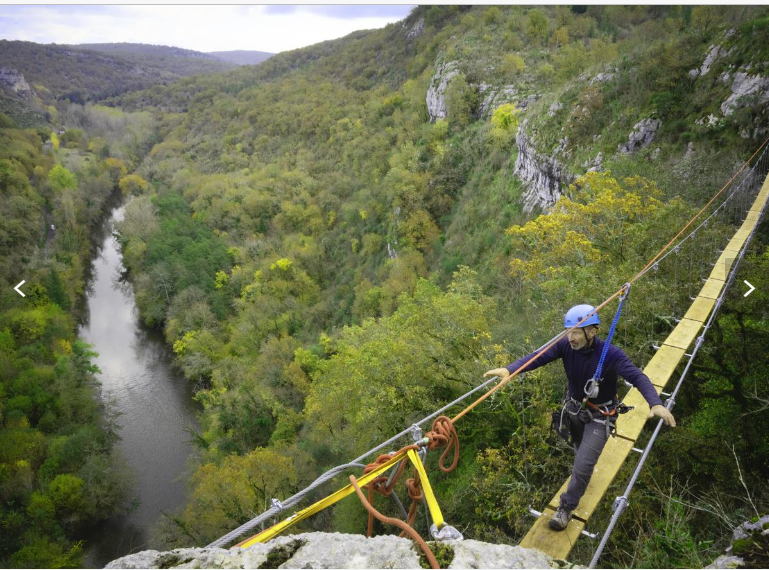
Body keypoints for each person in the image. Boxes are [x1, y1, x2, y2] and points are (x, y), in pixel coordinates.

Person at [484, 304, 676, 531]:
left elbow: (637, 376)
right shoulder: (565, 346)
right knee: (578, 451)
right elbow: (539, 356)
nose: (570, 337)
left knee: (584, 464)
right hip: (574, 411)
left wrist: (655, 403)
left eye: (575, 332)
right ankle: (580, 479)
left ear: (592, 331)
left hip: (600, 416)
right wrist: (510, 370)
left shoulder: (611, 355)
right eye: (568, 331)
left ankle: (566, 507)